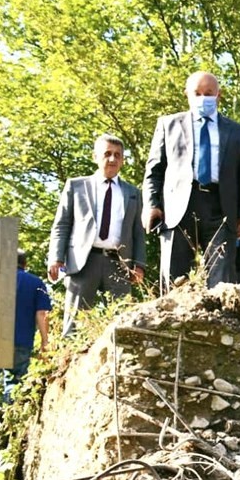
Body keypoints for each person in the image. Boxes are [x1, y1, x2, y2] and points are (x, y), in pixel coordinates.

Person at [142, 71, 240, 292]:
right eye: (197, 93)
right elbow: (154, 170)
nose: (203, 98)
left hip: (221, 208)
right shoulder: (168, 124)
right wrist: (151, 205)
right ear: (187, 95)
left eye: (209, 93)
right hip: (178, 208)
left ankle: (221, 322)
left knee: (223, 279)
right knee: (174, 277)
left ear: (218, 95)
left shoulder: (238, 133)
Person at [48, 134, 146, 336]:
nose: (112, 159)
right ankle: (71, 363)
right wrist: (56, 258)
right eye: (107, 154)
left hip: (119, 264)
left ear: (123, 161)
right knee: (74, 324)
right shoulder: (76, 186)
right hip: (84, 262)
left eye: (118, 155)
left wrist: (139, 265)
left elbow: (138, 231)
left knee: (122, 322)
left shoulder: (133, 192)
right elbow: (62, 224)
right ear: (95, 156)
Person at [2, 249, 51, 401]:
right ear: (25, 264)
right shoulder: (37, 283)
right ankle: (8, 422)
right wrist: (45, 342)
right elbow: (42, 314)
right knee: (14, 384)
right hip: (20, 341)